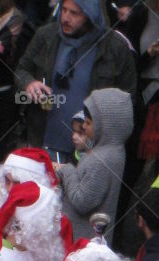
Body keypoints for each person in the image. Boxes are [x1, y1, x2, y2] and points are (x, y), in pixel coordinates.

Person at [15, 0, 137, 157]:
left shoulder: (114, 47)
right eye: (64, 10)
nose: (65, 18)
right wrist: (29, 83)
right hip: (43, 141)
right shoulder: (46, 36)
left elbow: (128, 100)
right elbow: (21, 69)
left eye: (74, 13)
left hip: (89, 150)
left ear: (89, 16)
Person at [56, 89, 134, 244]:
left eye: (88, 123)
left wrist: (67, 170)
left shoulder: (102, 160)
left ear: (106, 126)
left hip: (83, 242)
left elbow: (81, 201)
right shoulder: (110, 150)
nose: (83, 126)